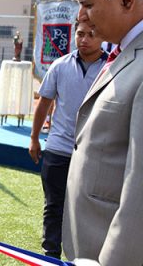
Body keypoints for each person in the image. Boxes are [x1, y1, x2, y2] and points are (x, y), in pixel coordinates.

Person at [62, 0, 143, 265]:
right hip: (91, 239)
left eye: (87, 4)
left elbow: (139, 190)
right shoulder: (124, 53)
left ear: (125, 0)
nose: (81, 15)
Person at [29, 20, 107, 259]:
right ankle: (49, 255)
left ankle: (82, 258)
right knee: (53, 207)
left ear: (102, 36)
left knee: (85, 211)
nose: (84, 39)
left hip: (93, 153)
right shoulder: (60, 65)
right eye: (80, 34)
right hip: (57, 149)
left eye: (91, 34)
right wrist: (34, 138)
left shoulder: (112, 68)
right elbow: (44, 103)